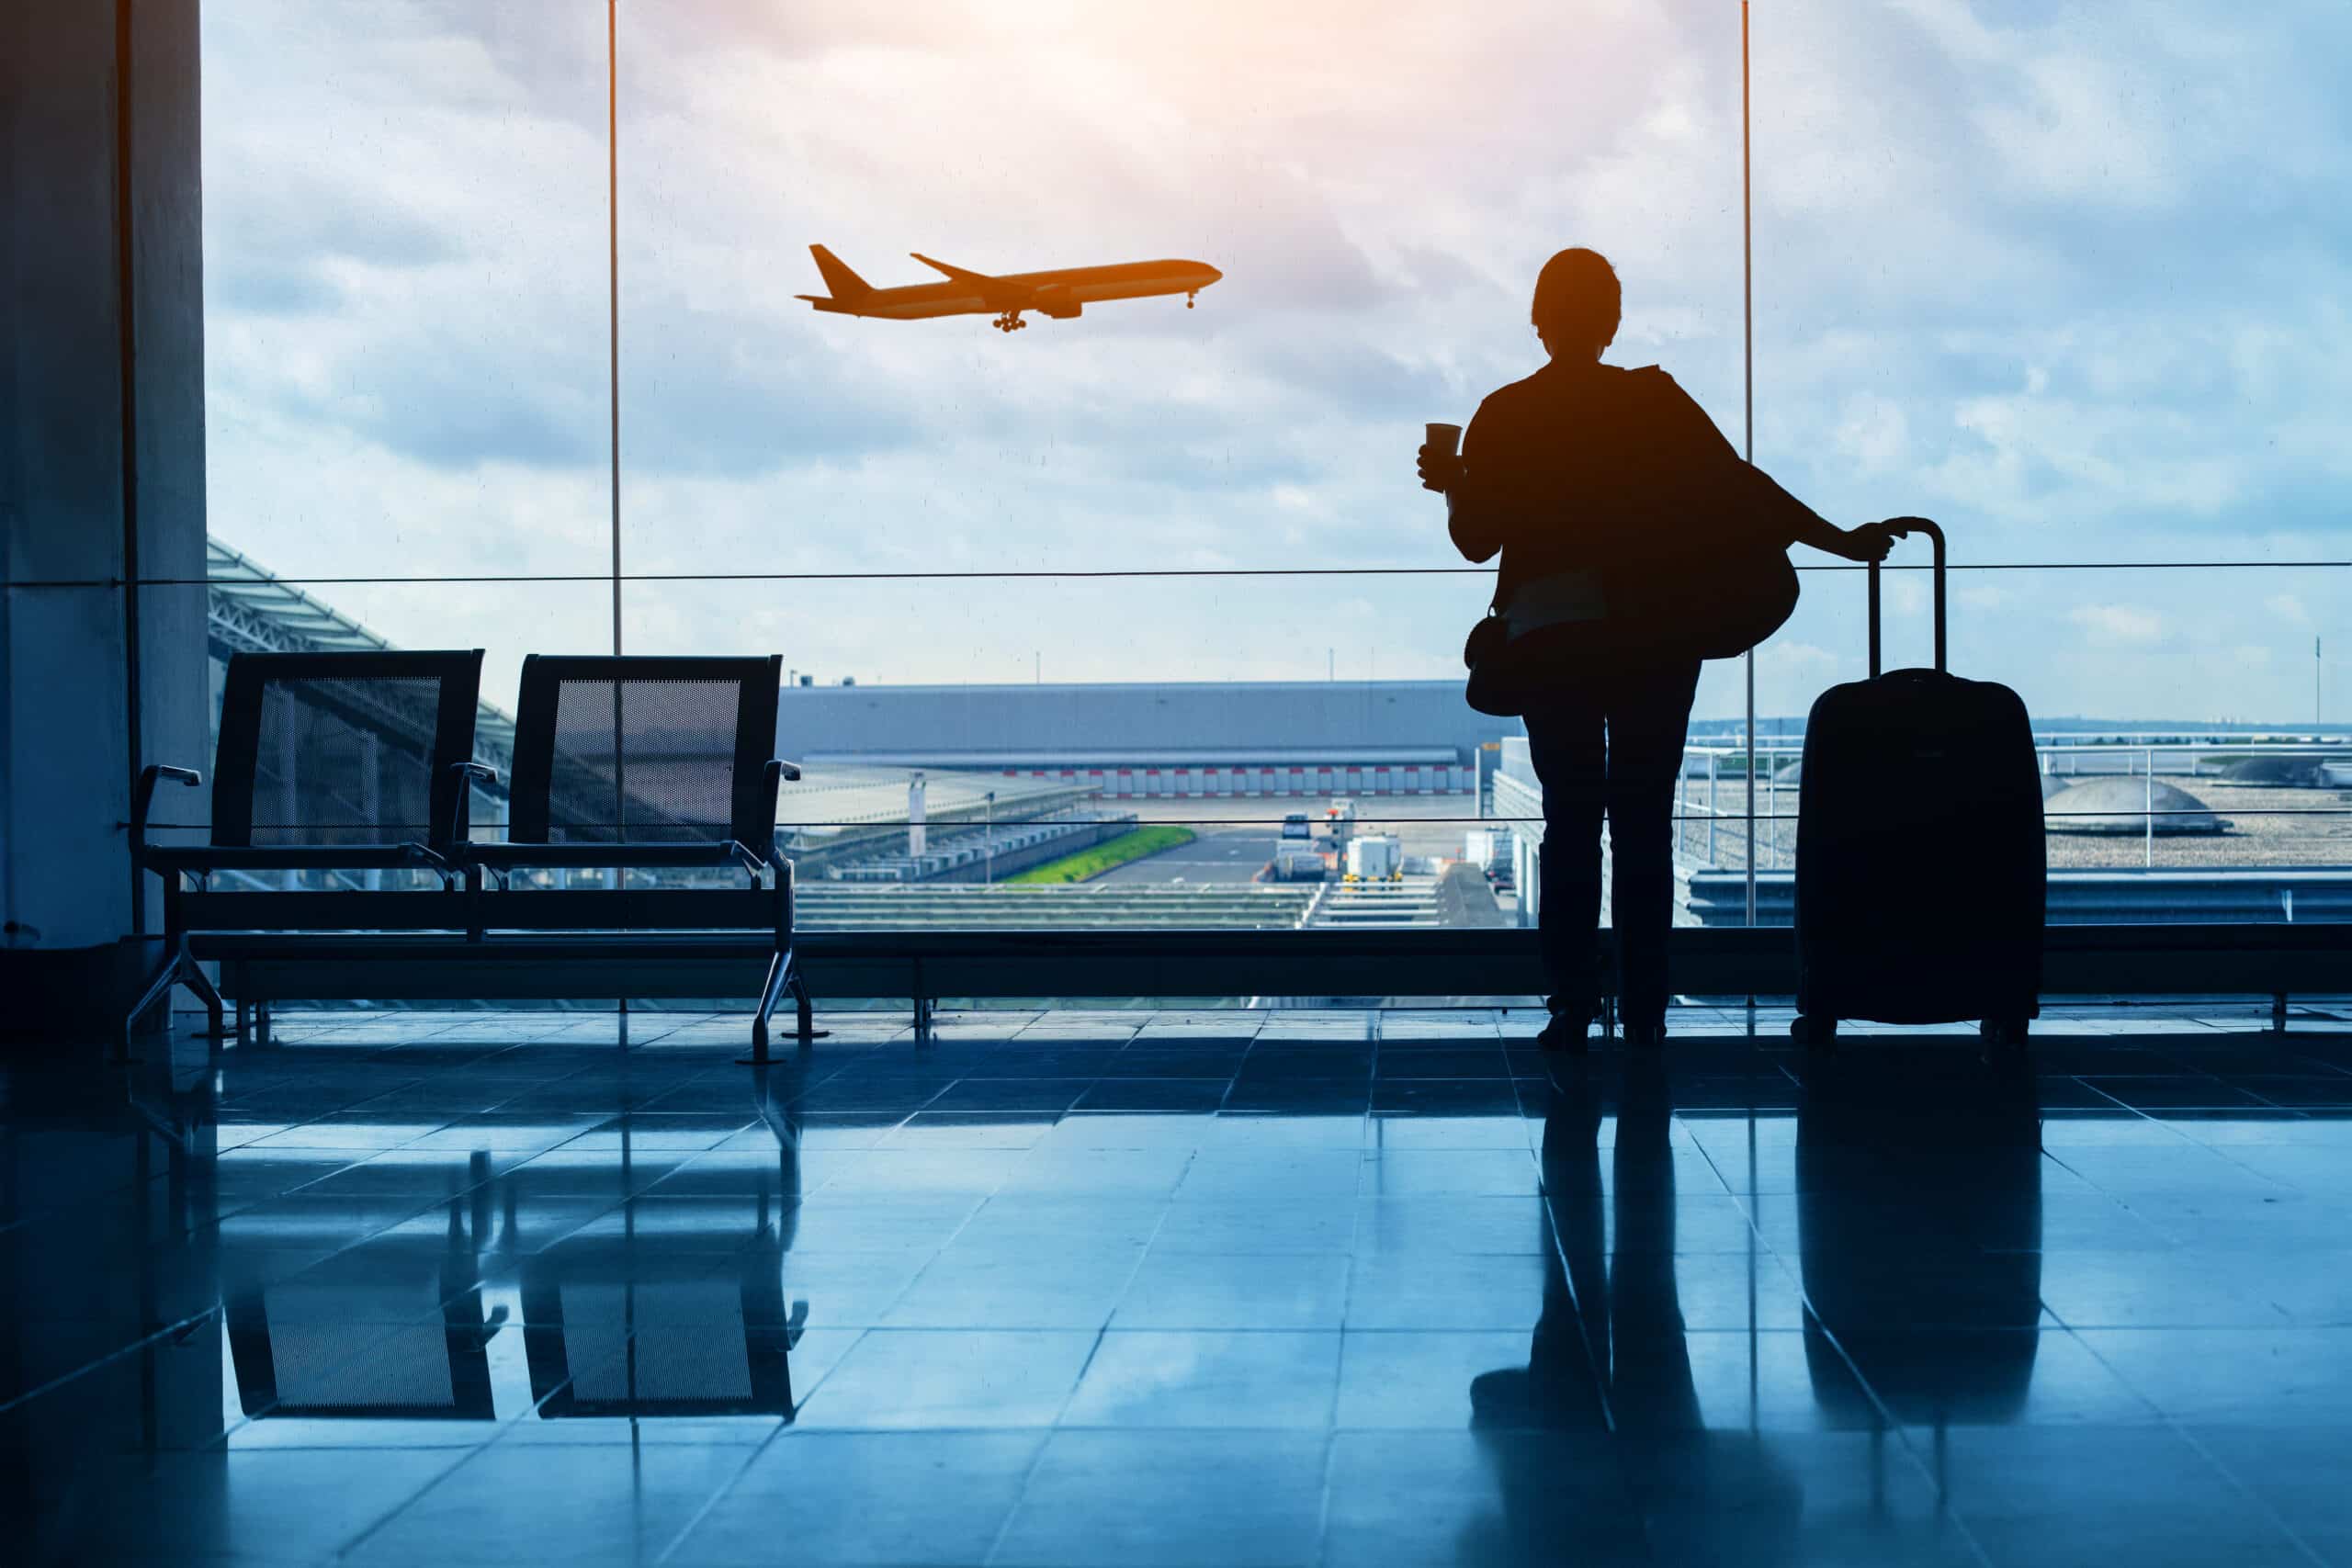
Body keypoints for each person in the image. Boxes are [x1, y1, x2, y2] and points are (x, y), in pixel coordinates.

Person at [1418, 247, 1894, 1048]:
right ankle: (1645, 1006)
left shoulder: (1505, 413)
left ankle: (1571, 1004)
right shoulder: (1654, 403)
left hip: (1551, 638)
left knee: (1571, 821)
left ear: (1538, 320)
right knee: (1644, 823)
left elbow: (1473, 540)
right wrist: (1837, 540)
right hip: (1653, 638)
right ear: (1612, 320)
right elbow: (1742, 486)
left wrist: (1456, 479)